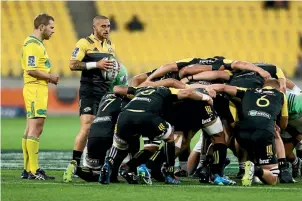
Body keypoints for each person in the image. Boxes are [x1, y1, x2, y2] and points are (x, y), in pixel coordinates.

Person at [99, 86, 213, 185]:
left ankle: (109, 164)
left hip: (125, 116)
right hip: (148, 116)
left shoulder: (141, 89)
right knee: (169, 136)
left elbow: (118, 89)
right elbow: (188, 93)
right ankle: (169, 173)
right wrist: (206, 98)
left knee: (119, 145)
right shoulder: (165, 90)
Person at [64, 15, 115, 180]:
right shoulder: (84, 43)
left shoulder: (110, 45)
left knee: (108, 128)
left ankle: (100, 164)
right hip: (89, 91)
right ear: (95, 27)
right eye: (103, 26)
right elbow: (72, 64)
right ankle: (74, 163)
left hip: (105, 92)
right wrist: (96, 64)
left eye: (108, 26)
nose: (106, 29)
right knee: (87, 126)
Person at [210, 79, 288, 186]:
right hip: (263, 133)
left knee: (249, 143)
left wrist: (209, 89)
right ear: (278, 88)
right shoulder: (280, 95)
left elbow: (223, 88)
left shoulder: (248, 91)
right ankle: (255, 170)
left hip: (242, 133)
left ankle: (244, 168)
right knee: (273, 178)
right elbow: (284, 124)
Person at [21, 13, 58, 180]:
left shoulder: (36, 44)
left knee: (30, 127)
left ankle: (28, 169)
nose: (53, 31)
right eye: (51, 27)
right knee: (37, 127)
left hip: (36, 88)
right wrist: (50, 77)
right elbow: (31, 69)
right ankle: (34, 170)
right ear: (41, 27)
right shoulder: (32, 45)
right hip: (35, 88)